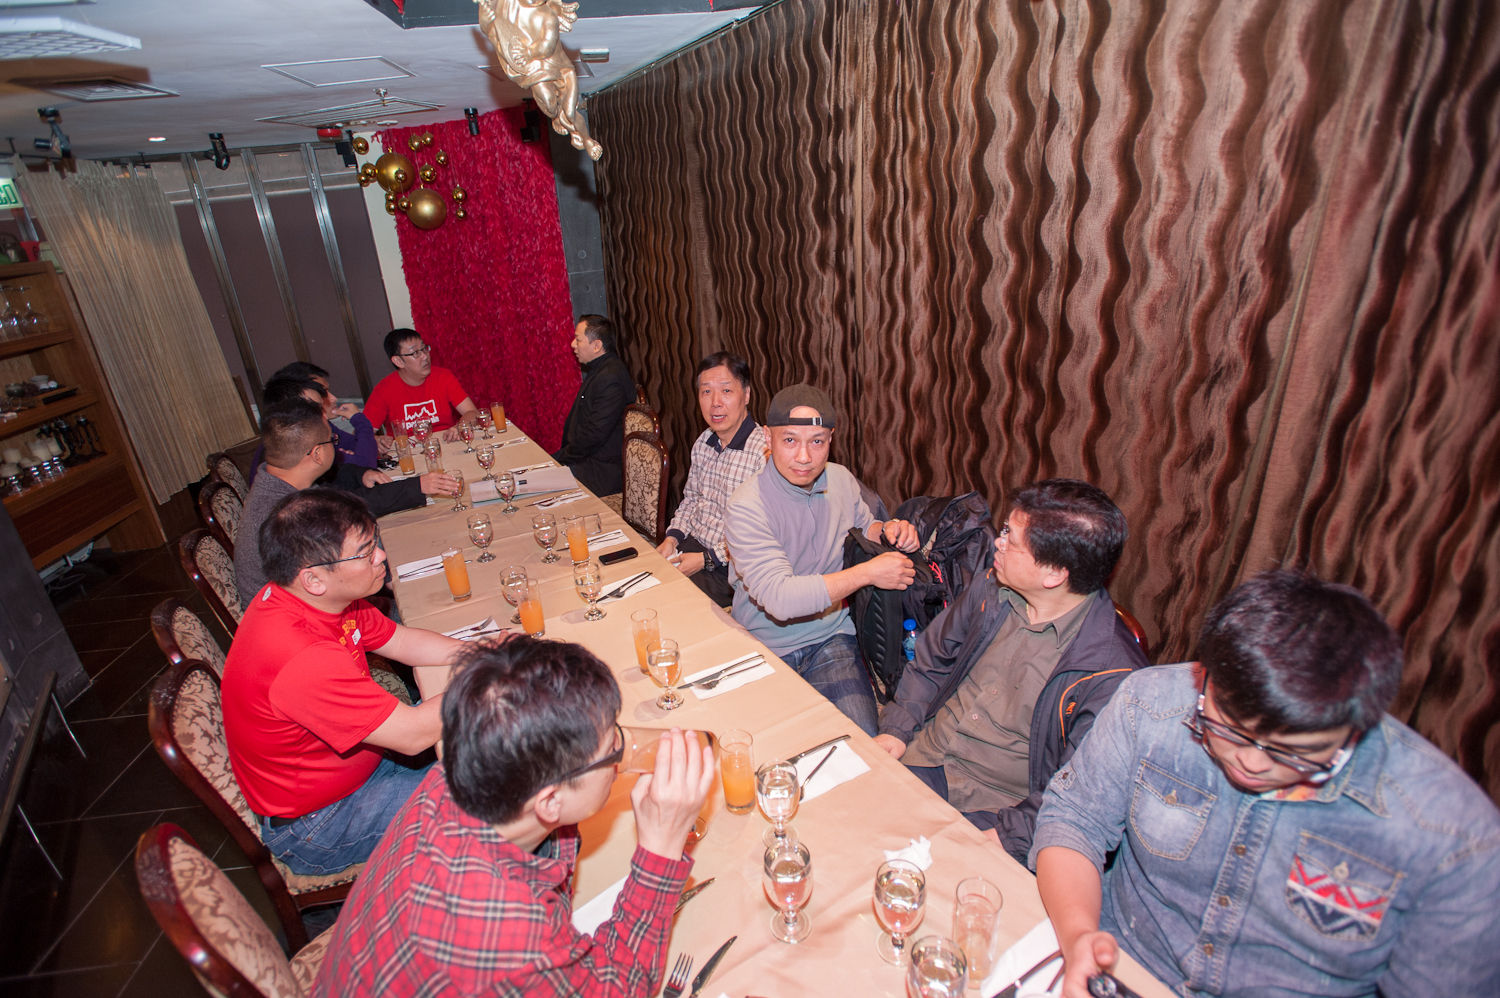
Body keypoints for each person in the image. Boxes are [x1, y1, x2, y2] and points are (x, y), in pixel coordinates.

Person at [1031, 570, 1500, 998]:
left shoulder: (1453, 839)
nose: (1251, 762)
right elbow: (1074, 821)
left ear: (1355, 728)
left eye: (1291, 752)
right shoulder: (1151, 704)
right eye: (1229, 729)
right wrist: (1079, 937)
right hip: (1125, 968)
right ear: (1205, 677)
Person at [311, 636, 715, 997]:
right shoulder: (505, 934)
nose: (622, 758)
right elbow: (621, 986)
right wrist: (661, 847)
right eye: (612, 750)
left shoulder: (454, 776)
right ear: (549, 801)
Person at [873, 479, 1148, 864]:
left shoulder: (1110, 675)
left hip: (998, 807)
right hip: (928, 754)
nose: (997, 544)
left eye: (1011, 541)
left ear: (1054, 574)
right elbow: (933, 657)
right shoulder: (991, 587)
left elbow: (1082, 793)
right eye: (1004, 530)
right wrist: (898, 727)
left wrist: (1006, 837)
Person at [222, 489, 467, 875]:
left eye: (375, 543)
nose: (381, 556)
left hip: (365, 764)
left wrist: (484, 652)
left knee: (497, 738)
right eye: (365, 552)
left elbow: (401, 641)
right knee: (504, 787)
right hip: (321, 821)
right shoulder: (299, 655)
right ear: (314, 579)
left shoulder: (321, 599)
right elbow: (413, 735)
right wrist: (495, 677)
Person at [723, 384, 919, 736]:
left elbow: (864, 528)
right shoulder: (746, 506)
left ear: (831, 438)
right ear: (767, 437)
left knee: (860, 744)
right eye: (790, 440)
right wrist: (869, 573)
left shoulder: (841, 478)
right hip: (765, 643)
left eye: (817, 442)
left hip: (832, 637)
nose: (804, 456)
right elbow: (780, 598)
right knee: (771, 748)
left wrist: (890, 530)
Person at [234, 398, 458, 609]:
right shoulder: (291, 513)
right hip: (306, 620)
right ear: (317, 454)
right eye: (333, 440)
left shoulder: (276, 480)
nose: (336, 445)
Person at [655, 351, 768, 607]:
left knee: (668, 603)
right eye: (706, 392)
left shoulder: (763, 454)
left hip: (732, 568)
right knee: (644, 580)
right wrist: (671, 539)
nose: (715, 402)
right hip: (692, 544)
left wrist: (706, 559)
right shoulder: (704, 441)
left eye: (726, 391)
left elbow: (759, 531)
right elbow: (691, 499)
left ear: (746, 395)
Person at [552, 314, 634, 495]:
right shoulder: (601, 369)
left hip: (600, 472)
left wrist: (559, 458)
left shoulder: (610, 377)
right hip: (588, 462)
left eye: (578, 339)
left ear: (597, 345)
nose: (573, 344)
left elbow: (594, 435)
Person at [362, 328, 477, 437]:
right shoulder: (384, 390)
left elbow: (472, 412)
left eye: (424, 349)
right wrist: (375, 440)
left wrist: (461, 426)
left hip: (444, 442)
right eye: (415, 353)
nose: (425, 356)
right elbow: (360, 434)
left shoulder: (443, 377)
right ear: (398, 361)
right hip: (407, 448)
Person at [277, 360, 378, 469]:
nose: (334, 398)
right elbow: (366, 465)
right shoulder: (300, 437)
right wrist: (360, 421)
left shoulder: (325, 425)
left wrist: (367, 445)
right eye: (323, 393)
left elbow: (357, 447)